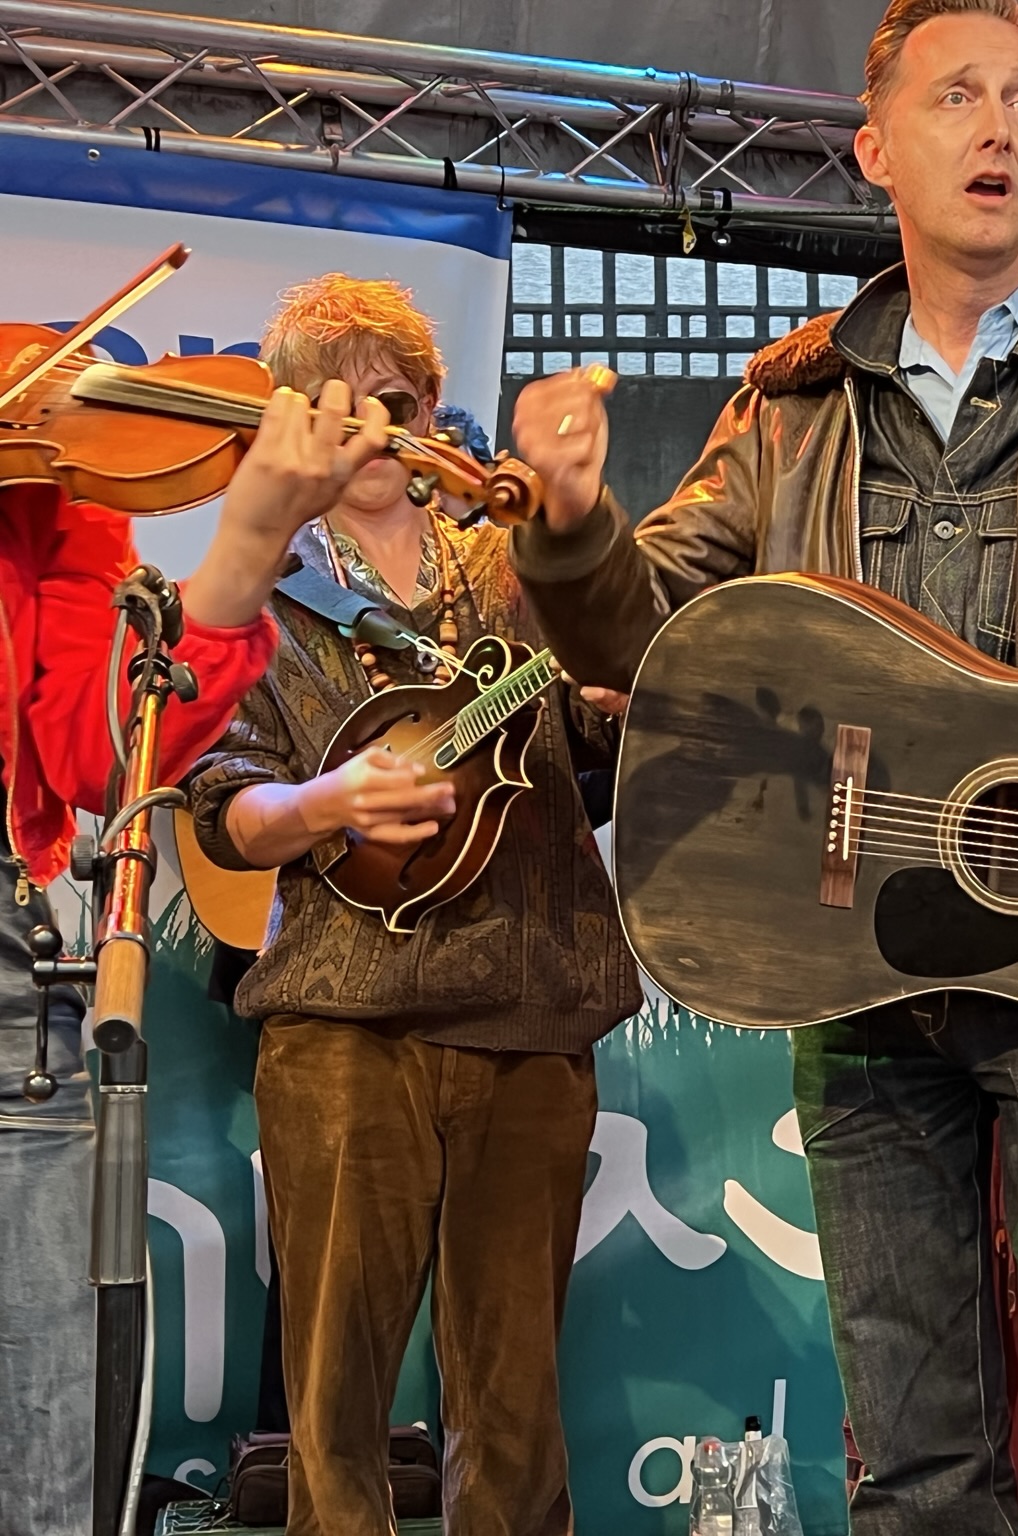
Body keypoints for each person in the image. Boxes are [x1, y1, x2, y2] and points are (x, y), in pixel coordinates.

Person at [504, 2, 1018, 1528]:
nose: (1000, 127)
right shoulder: (788, 401)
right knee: (915, 1472)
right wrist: (567, 527)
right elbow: (655, 638)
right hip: (857, 977)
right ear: (876, 146)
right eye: (958, 96)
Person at [183, 274, 642, 1536]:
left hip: (530, 1000)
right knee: (335, 1402)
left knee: (515, 1407)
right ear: (290, 421)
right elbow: (220, 804)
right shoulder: (261, 586)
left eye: (392, 402)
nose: (370, 431)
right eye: (333, 407)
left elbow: (602, 739)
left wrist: (617, 699)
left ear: (434, 409)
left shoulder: (517, 562)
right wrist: (323, 804)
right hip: (344, 1020)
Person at [0, 384, 400, 1536]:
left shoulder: (35, 479)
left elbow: (99, 753)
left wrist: (250, 540)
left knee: (47, 1450)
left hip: (9, 988)